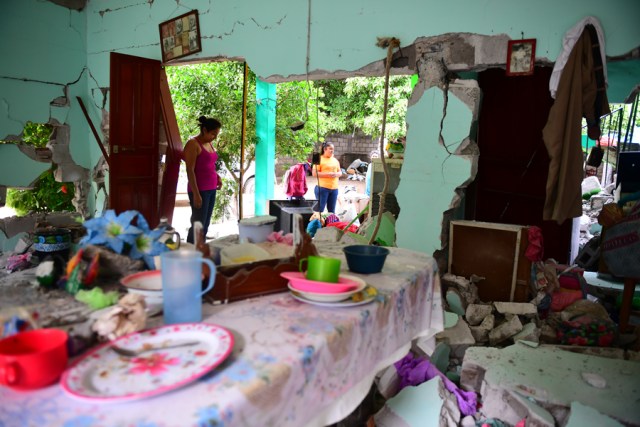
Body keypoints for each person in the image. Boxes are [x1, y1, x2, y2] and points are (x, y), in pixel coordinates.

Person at [184, 116, 222, 243]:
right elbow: (190, 169)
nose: (214, 137)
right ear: (204, 130)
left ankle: (200, 250)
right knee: (198, 225)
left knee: (205, 224)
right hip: (200, 190)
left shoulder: (209, 143)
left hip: (211, 189)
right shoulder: (193, 144)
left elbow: (209, 164)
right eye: (213, 134)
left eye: (216, 134)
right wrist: (196, 194)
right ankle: (190, 253)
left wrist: (217, 177)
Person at [312, 142, 341, 214]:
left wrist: (336, 174)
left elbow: (340, 172)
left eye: (333, 149)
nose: (332, 151)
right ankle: (317, 224)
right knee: (319, 211)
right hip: (322, 188)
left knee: (332, 212)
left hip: (334, 189)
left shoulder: (335, 160)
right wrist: (328, 174)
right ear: (325, 149)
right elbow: (314, 174)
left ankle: (329, 224)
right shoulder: (317, 158)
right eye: (330, 149)